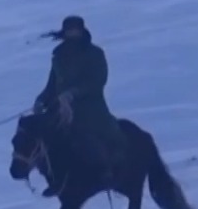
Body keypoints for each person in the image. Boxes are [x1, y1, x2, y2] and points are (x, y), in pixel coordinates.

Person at [30, 15, 126, 197]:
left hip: (90, 107)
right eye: (69, 30)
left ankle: (106, 170)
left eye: (75, 30)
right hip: (60, 107)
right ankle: (55, 178)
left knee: (90, 133)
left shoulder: (95, 53)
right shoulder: (58, 55)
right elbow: (53, 83)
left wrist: (73, 93)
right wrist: (41, 99)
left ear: (82, 31)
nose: (72, 33)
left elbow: (97, 81)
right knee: (45, 137)